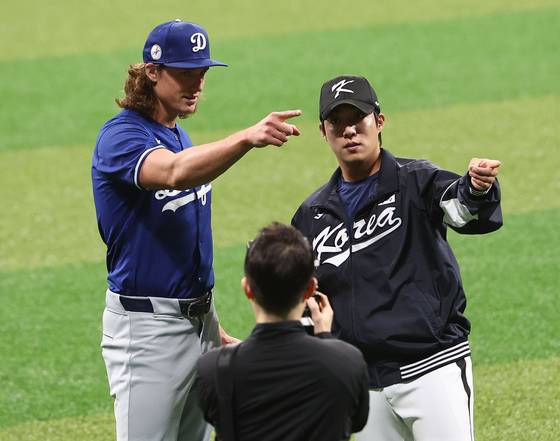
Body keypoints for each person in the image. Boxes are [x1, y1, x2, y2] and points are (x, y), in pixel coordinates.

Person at [91, 20, 301, 441]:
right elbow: (172, 174)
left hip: (197, 322)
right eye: (185, 73)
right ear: (152, 72)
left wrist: (208, 325)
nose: (197, 83)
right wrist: (247, 137)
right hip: (147, 331)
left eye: (202, 72)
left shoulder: (177, 134)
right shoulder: (120, 137)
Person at [291, 75, 503, 441]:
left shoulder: (417, 181)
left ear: (379, 121)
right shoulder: (312, 214)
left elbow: (462, 210)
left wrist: (477, 188)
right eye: (336, 122)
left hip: (432, 369)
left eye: (357, 119)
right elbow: (306, 298)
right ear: (322, 132)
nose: (349, 131)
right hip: (366, 383)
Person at [196, 223, 370, 441]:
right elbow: (356, 420)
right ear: (310, 289)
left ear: (247, 288)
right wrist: (326, 340)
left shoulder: (214, 369)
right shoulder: (348, 362)